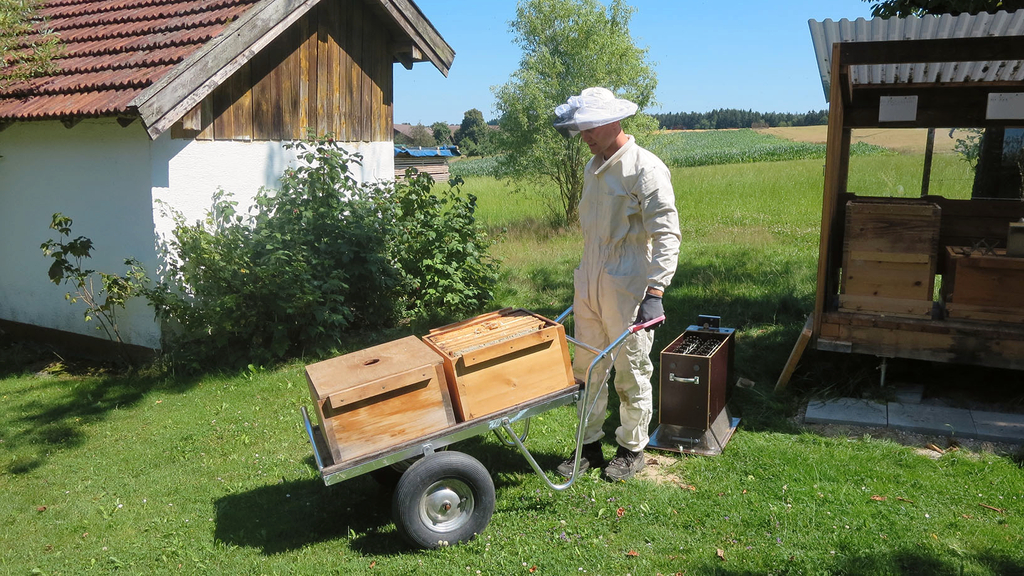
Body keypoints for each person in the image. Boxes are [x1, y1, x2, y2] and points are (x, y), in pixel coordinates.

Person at [552, 87, 681, 482]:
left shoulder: (646, 168)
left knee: (630, 371)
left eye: (590, 128)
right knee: (586, 369)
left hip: (629, 286)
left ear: (614, 122)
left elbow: (666, 234)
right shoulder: (592, 168)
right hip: (590, 280)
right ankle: (589, 445)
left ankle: (631, 449)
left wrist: (655, 292)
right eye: (581, 129)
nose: (584, 137)